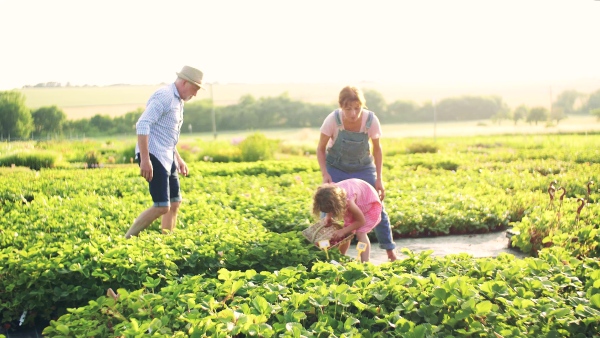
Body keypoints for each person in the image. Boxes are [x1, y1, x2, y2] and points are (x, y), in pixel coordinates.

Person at [316, 85, 397, 261]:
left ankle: (390, 252)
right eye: (348, 109)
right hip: (336, 168)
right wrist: (325, 174)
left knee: (378, 209)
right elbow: (321, 148)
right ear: (340, 106)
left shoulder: (370, 120)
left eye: (357, 108)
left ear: (362, 105)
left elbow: (377, 149)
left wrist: (379, 179)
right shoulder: (332, 120)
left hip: (363, 168)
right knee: (327, 211)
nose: (353, 113)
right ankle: (327, 256)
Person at [125, 65, 204, 238]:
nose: (196, 94)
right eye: (195, 88)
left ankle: (167, 242)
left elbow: (165, 135)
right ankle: (126, 239)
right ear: (184, 82)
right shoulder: (165, 96)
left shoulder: (178, 101)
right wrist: (145, 160)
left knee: (175, 202)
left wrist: (179, 159)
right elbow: (143, 124)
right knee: (162, 206)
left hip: (167, 156)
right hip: (153, 155)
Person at [312, 178, 382, 262]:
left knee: (360, 233)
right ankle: (341, 257)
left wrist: (343, 231)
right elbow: (329, 205)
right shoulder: (329, 194)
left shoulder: (349, 202)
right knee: (347, 233)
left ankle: (365, 262)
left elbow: (361, 221)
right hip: (356, 195)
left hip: (368, 202)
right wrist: (328, 217)